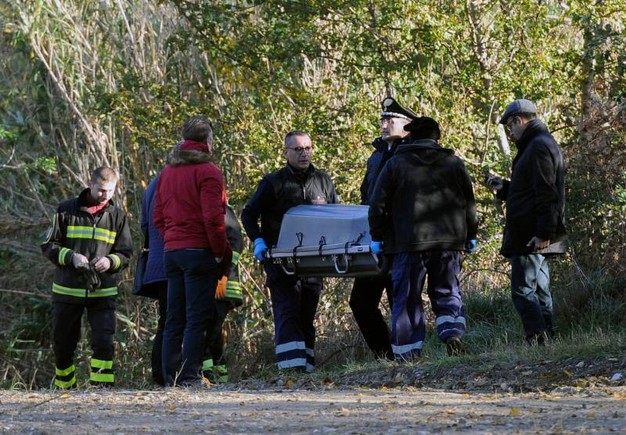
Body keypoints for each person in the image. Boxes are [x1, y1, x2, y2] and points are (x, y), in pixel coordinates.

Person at [368, 116, 478, 361]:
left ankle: (408, 353)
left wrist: (378, 236)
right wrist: (471, 234)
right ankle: (452, 334)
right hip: (448, 243)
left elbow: (377, 205)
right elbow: (468, 203)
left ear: (412, 136)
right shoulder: (453, 163)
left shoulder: (396, 164)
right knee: (448, 291)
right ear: (437, 137)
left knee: (407, 297)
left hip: (408, 244)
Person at [241, 130, 338, 372]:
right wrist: (259, 241)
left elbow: (336, 215)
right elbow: (249, 214)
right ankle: (291, 371)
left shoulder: (323, 181)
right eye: (298, 149)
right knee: (288, 314)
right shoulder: (273, 182)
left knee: (306, 316)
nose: (304, 153)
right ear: (286, 153)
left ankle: (307, 368)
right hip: (281, 261)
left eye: (308, 148)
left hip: (315, 261)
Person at [153, 116, 231, 387]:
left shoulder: (167, 172)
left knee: (174, 317)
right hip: (199, 250)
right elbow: (213, 218)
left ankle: (169, 377)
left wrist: (172, 239)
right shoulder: (209, 172)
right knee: (197, 317)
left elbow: (158, 216)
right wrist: (219, 252)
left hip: (173, 251)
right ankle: (189, 376)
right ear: (208, 141)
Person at [41, 166, 133, 388]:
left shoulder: (118, 217)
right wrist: (71, 257)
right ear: (90, 184)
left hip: (103, 291)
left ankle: (101, 390)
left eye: (110, 191)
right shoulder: (65, 210)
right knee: (63, 343)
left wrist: (110, 261)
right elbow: (48, 245)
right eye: (101, 190)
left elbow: (126, 253)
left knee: (103, 342)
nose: (105, 195)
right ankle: (65, 387)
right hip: (67, 291)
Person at [485, 99, 567, 345]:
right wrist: (504, 188)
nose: (510, 132)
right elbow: (530, 191)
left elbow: (547, 192)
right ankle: (547, 339)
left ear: (519, 121)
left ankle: (537, 339)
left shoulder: (537, 146)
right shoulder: (540, 143)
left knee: (523, 291)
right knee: (541, 290)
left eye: (510, 126)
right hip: (536, 232)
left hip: (531, 234)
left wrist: (543, 232)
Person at [349, 97, 419, 361]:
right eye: (383, 119)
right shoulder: (376, 157)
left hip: (402, 242)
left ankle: (409, 357)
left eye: (391, 120)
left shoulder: (413, 155)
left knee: (399, 300)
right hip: (376, 242)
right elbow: (367, 196)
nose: (384, 124)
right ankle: (386, 357)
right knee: (361, 302)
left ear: (408, 125)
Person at [202, 204, 244, 383]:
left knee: (207, 333)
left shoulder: (222, 211)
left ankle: (210, 376)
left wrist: (224, 274)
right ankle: (219, 378)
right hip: (214, 283)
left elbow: (236, 245)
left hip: (223, 286)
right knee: (213, 333)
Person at [136, 173, 168, 386]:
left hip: (156, 263)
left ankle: (159, 376)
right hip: (173, 261)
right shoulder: (178, 179)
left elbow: (145, 225)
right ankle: (172, 375)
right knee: (177, 322)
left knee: (165, 321)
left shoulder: (154, 184)